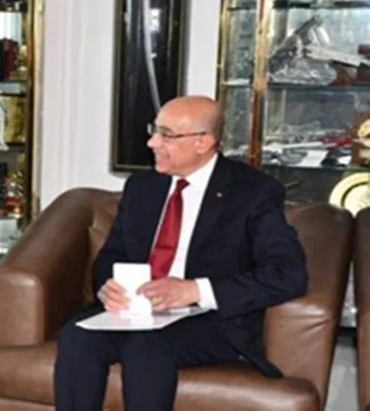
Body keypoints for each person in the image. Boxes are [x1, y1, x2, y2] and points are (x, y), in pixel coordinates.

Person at [53, 95, 308, 411]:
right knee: (78, 335)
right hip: (138, 310)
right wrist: (109, 287)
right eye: (155, 131)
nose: (152, 143)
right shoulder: (143, 187)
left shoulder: (254, 192)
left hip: (209, 319)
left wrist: (194, 290)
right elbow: (113, 254)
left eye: (167, 135)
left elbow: (287, 275)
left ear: (203, 142)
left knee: (145, 345)